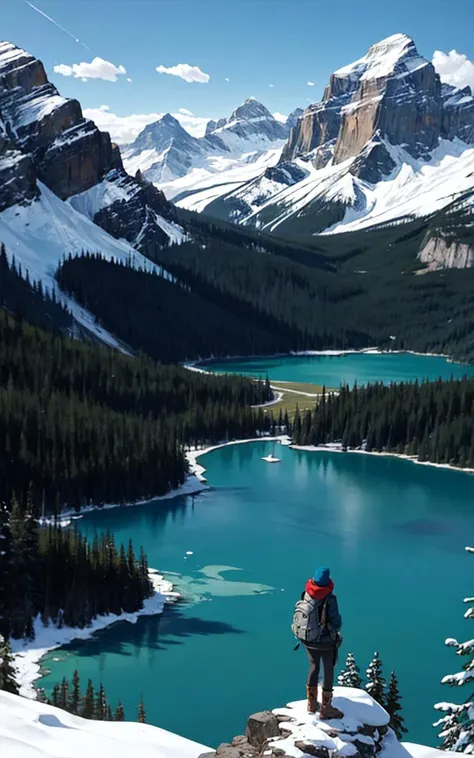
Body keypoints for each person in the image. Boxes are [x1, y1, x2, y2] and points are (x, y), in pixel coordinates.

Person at [301, 566, 343, 719]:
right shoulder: (330, 598)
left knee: (313, 666)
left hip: (308, 639)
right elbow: (335, 621)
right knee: (328, 669)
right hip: (325, 641)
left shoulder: (307, 594)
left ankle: (311, 704)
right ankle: (326, 708)